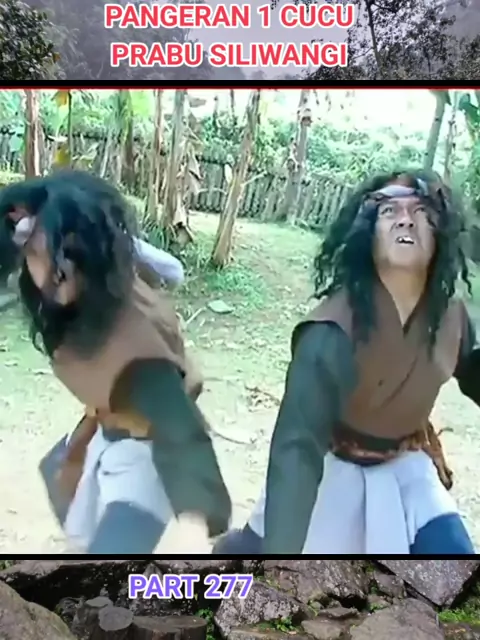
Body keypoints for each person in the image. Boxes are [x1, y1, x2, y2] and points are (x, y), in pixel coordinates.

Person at [214, 169, 478, 555]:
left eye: (421, 210)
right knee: (253, 560)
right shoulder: (330, 331)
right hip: (330, 468)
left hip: (406, 465)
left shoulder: (453, 320)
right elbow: (298, 449)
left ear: (441, 231)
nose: (406, 219)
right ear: (367, 233)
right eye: (389, 210)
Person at [0, 170, 231, 553]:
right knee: (67, 494)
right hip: (104, 434)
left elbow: (180, 429)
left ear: (89, 249)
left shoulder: (135, 348)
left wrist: (194, 523)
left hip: (147, 456)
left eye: (69, 254)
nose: (59, 271)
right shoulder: (98, 284)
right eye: (39, 255)